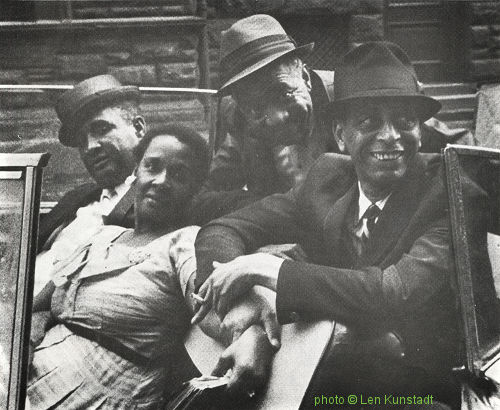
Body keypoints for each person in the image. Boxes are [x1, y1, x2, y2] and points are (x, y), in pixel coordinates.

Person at [193, 42, 467, 407]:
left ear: (420, 130)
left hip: (425, 385)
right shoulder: (326, 178)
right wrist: (249, 320)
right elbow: (223, 229)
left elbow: (392, 292)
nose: (390, 136)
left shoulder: (448, 186)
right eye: (369, 121)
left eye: (405, 121)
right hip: (328, 369)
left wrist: (269, 269)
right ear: (340, 135)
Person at [28, 125, 274, 409]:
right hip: (27, 375)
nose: (161, 180)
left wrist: (251, 335)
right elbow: (42, 304)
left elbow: (212, 306)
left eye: (179, 175)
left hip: (97, 396)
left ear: (196, 189)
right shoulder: (102, 236)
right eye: (152, 166)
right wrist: (27, 340)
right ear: (136, 172)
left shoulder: (184, 244)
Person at [205, 14, 473, 198]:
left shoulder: (354, 96)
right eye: (255, 108)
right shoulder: (235, 114)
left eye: (285, 94)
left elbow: (461, 149)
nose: (275, 118)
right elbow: (211, 190)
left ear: (305, 77)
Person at [35, 74, 146, 295]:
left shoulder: (156, 197)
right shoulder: (78, 197)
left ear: (138, 128)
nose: (90, 147)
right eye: (81, 140)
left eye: (102, 129)